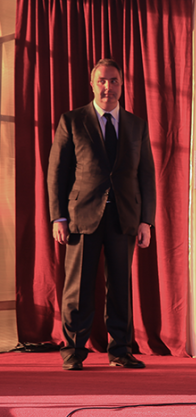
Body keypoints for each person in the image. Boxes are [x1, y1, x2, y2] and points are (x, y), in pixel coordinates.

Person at [47, 58, 156, 371]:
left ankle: (120, 350)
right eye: (102, 81)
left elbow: (146, 175)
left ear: (122, 85)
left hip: (125, 217)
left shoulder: (136, 124)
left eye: (114, 81)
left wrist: (146, 220)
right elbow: (57, 173)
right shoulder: (72, 120)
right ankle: (73, 350)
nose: (108, 87)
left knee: (121, 287)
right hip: (81, 215)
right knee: (77, 288)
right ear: (92, 84)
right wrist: (59, 217)